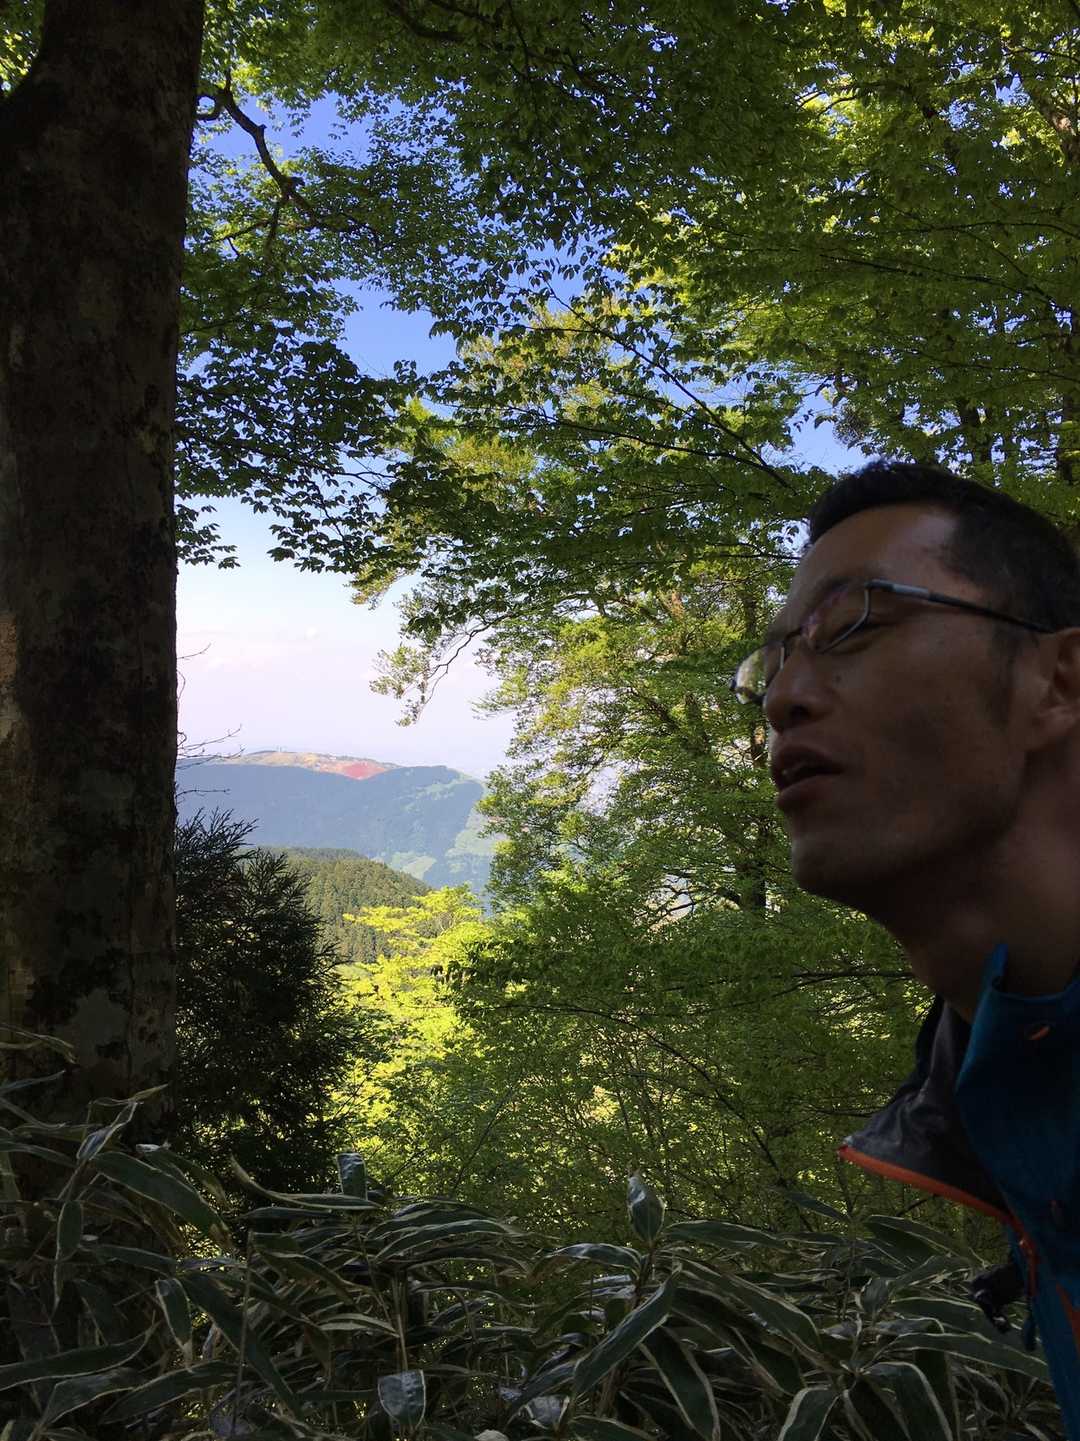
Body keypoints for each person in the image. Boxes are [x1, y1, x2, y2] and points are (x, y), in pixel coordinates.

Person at [730, 460, 1080, 1434]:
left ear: (1058, 681)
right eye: (774, 660)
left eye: (854, 622)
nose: (782, 699)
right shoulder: (1009, 1109)